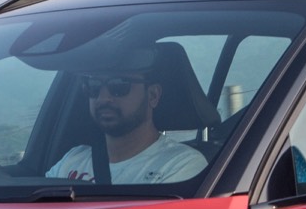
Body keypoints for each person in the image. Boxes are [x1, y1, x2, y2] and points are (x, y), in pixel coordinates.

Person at [47, 52, 207, 184]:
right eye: (94, 86)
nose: (103, 98)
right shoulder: (72, 160)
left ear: (153, 95)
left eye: (119, 85)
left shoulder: (182, 165)